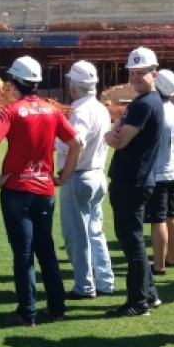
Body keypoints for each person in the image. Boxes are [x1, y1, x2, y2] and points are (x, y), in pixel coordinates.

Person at [0, 56, 81, 326]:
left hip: (16, 190)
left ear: (15, 81)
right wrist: (64, 175)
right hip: (45, 190)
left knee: (23, 254)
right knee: (46, 249)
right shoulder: (53, 111)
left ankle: (27, 312)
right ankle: (57, 307)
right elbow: (76, 144)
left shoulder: (10, 111)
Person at [104, 46, 163, 317]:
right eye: (133, 73)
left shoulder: (143, 104)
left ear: (154, 73)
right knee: (133, 240)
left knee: (132, 242)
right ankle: (148, 295)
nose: (136, 77)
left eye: (142, 73)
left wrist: (113, 133)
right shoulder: (146, 102)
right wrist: (114, 132)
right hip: (135, 179)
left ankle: (138, 301)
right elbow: (116, 134)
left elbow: (118, 139)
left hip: (132, 180)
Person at [56, 60, 114, 299]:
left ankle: (84, 285)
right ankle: (105, 281)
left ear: (74, 87)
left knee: (76, 236)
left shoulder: (80, 111)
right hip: (97, 173)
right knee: (95, 232)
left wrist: (54, 143)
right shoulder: (101, 108)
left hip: (79, 176)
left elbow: (74, 143)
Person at [147, 69, 174, 275]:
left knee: (158, 219)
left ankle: (159, 265)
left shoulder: (157, 108)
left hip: (159, 172)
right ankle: (172, 257)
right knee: (172, 215)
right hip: (173, 169)